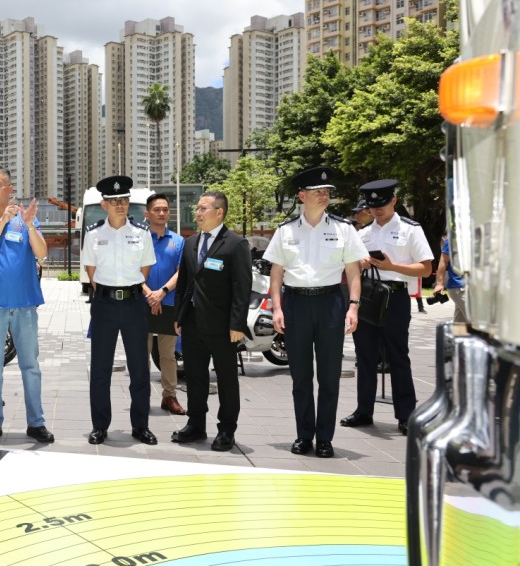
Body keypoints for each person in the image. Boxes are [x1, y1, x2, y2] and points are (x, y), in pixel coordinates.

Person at [264, 167, 369, 458]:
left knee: (329, 376)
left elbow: (353, 271)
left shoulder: (343, 228)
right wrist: (276, 308)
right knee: (300, 376)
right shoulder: (285, 231)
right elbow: (276, 272)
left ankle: (325, 438)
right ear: (302, 196)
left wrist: (354, 307)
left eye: (326, 191)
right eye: (317, 192)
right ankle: (303, 436)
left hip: (331, 303)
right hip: (296, 303)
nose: (324, 195)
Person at [0, 165, 54, 445]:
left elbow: (41, 252)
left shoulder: (24, 219)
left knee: (30, 365)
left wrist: (29, 225)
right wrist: (2, 221)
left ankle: (36, 423)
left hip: (25, 305)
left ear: (9, 190)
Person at [342, 179, 433, 436]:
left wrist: (393, 267)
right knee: (365, 356)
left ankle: (406, 414)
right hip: (368, 297)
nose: (376, 210)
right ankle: (364, 410)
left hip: (395, 298)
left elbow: (425, 268)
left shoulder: (410, 229)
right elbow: (351, 269)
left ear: (394, 200)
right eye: (372, 206)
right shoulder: (363, 233)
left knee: (397, 356)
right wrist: (360, 264)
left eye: (381, 204)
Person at [82, 176, 159, 445]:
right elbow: (92, 273)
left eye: (124, 200)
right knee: (101, 368)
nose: (119, 205)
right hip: (104, 304)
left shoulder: (141, 233)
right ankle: (100, 426)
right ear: (104, 205)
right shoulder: (93, 234)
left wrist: (127, 290)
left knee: (139, 367)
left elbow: (145, 271)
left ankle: (141, 426)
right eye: (114, 201)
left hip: (134, 303)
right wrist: (109, 292)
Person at [172, 191, 251, 452]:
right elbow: (184, 283)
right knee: (195, 377)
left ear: (220, 212)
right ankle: (196, 424)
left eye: (203, 208)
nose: (197, 212)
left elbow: (242, 287)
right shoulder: (191, 242)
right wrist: (179, 316)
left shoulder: (235, 244)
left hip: (223, 326)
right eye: (197, 208)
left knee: (227, 379)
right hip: (193, 323)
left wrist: (237, 324)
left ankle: (227, 429)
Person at [142, 192, 185, 415]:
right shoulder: (138, 238)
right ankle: (141, 398)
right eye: (157, 209)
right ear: (147, 213)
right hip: (142, 304)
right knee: (141, 354)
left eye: (165, 209)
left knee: (168, 355)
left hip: (168, 303)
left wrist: (161, 292)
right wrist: (149, 294)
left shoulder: (178, 241)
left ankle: (170, 397)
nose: (161, 213)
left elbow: (181, 273)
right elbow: (132, 270)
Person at [433, 234, 467, 323]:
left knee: (460, 324)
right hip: (460, 287)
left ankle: (458, 336)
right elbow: (443, 261)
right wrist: (440, 283)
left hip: (470, 288)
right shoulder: (454, 238)